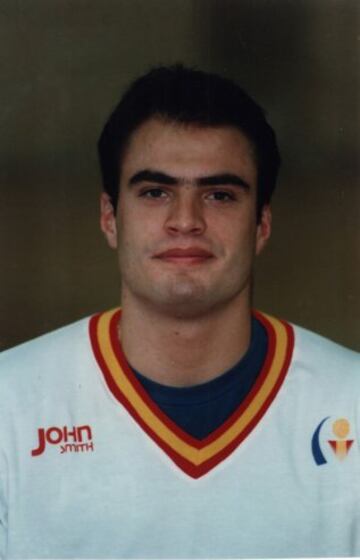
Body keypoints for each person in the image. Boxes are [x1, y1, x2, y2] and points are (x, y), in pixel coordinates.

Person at [0, 64, 359, 559]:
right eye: (155, 192)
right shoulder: (10, 405)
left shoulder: (351, 402)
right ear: (109, 218)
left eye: (219, 195)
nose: (186, 221)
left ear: (262, 226)